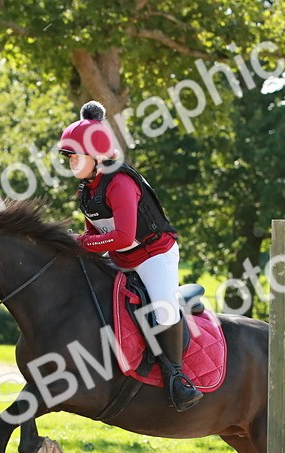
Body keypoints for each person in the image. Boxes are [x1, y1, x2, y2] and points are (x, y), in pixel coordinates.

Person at [57, 101, 202, 412]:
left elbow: (123, 236)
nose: (70, 163)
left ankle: (176, 376)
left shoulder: (120, 183)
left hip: (153, 254)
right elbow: (94, 233)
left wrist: (82, 243)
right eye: (67, 158)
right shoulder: (87, 189)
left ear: (96, 156)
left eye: (74, 157)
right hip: (120, 256)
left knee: (163, 309)